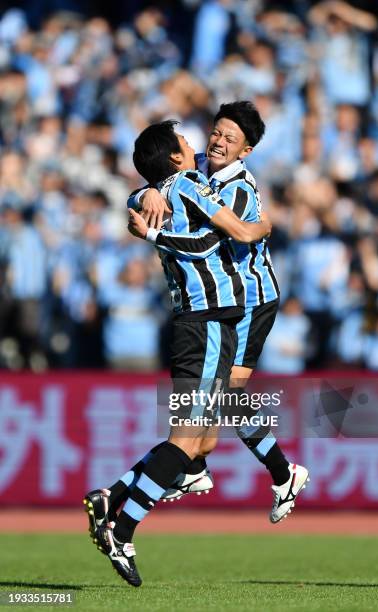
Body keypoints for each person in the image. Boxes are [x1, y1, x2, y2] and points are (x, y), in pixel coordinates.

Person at [84, 119, 271, 587]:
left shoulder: (163, 188)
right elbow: (221, 237)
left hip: (200, 323)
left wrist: (144, 194)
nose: (196, 144)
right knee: (188, 440)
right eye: (186, 141)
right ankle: (121, 530)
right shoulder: (188, 182)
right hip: (206, 323)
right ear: (174, 157)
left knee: (201, 443)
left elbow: (136, 199)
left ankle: (114, 496)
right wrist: (262, 225)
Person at [127, 102, 309, 523]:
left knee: (222, 402)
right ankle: (266, 472)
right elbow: (161, 178)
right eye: (216, 132)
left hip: (250, 299)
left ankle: (277, 472)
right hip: (220, 300)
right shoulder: (199, 169)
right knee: (210, 420)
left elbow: (232, 234)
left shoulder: (239, 187)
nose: (218, 142)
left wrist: (262, 227)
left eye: (231, 138)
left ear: (246, 151)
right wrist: (147, 191)